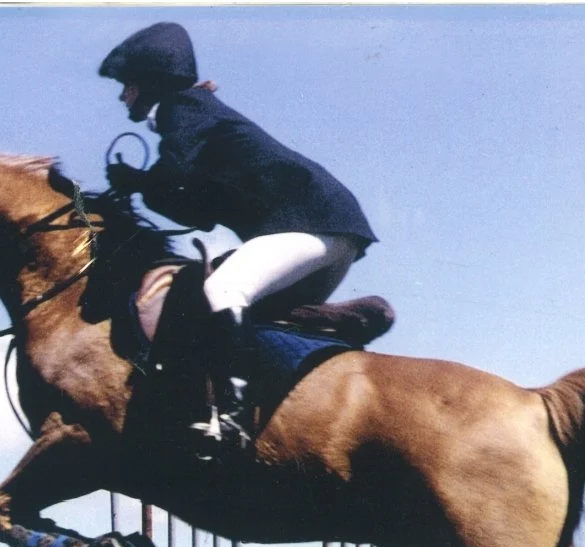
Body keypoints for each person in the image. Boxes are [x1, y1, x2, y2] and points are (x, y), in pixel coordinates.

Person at [100, 22, 377, 446]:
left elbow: (173, 174)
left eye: (128, 85)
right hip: (332, 230)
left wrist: (135, 182)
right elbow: (198, 213)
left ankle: (230, 416)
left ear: (152, 82)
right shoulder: (196, 114)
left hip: (310, 223)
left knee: (223, 289)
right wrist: (140, 186)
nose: (123, 96)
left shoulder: (182, 108)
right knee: (252, 316)